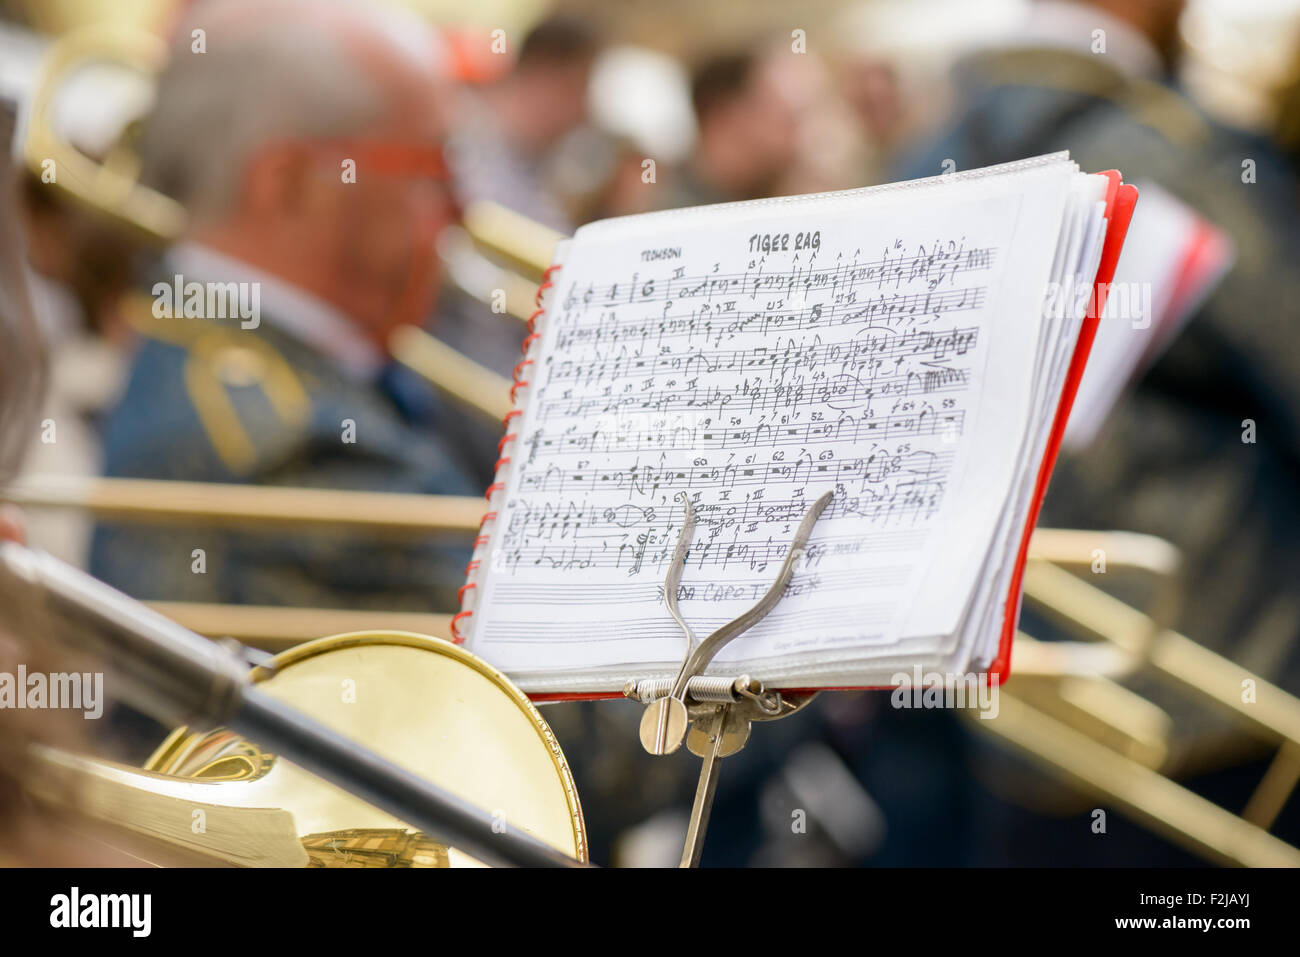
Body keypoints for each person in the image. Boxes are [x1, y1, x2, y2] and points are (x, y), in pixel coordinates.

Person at [88, 0, 483, 615]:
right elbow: (563, 702)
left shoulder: (192, 336)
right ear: (292, 183)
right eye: (434, 167)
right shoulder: (294, 446)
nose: (462, 210)